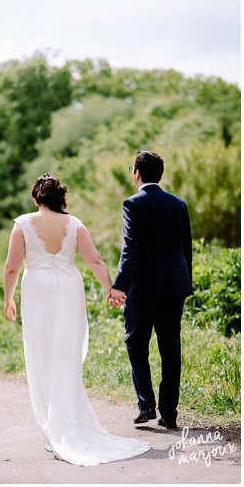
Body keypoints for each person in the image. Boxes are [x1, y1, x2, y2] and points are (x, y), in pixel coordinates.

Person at [3, 174, 150, 466]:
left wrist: (8, 299)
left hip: (38, 291)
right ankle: (67, 420)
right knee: (66, 353)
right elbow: (94, 259)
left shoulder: (22, 224)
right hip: (69, 288)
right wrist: (110, 288)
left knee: (41, 354)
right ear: (60, 199)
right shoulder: (75, 224)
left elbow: (11, 267)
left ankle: (52, 429)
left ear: (36, 198)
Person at [108, 150, 193, 430]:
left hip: (143, 288)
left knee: (135, 343)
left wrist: (119, 285)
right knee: (170, 348)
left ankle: (146, 405)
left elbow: (130, 247)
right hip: (174, 286)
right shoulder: (178, 204)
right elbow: (186, 248)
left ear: (137, 173)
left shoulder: (133, 204)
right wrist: (185, 281)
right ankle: (169, 412)